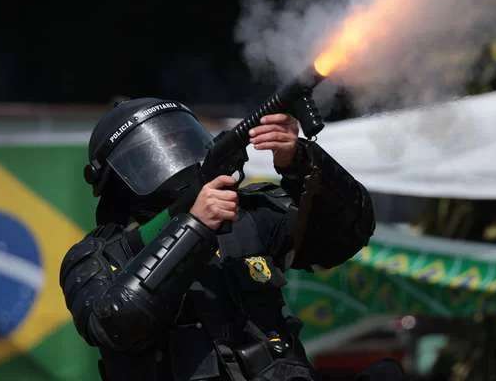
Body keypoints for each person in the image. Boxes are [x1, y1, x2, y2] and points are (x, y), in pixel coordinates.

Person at [59, 98, 375, 381]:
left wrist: (300, 160)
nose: (171, 157)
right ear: (113, 178)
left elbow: (350, 233)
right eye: (149, 154)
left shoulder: (244, 213)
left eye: (179, 141)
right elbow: (115, 323)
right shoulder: (95, 256)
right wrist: (194, 226)